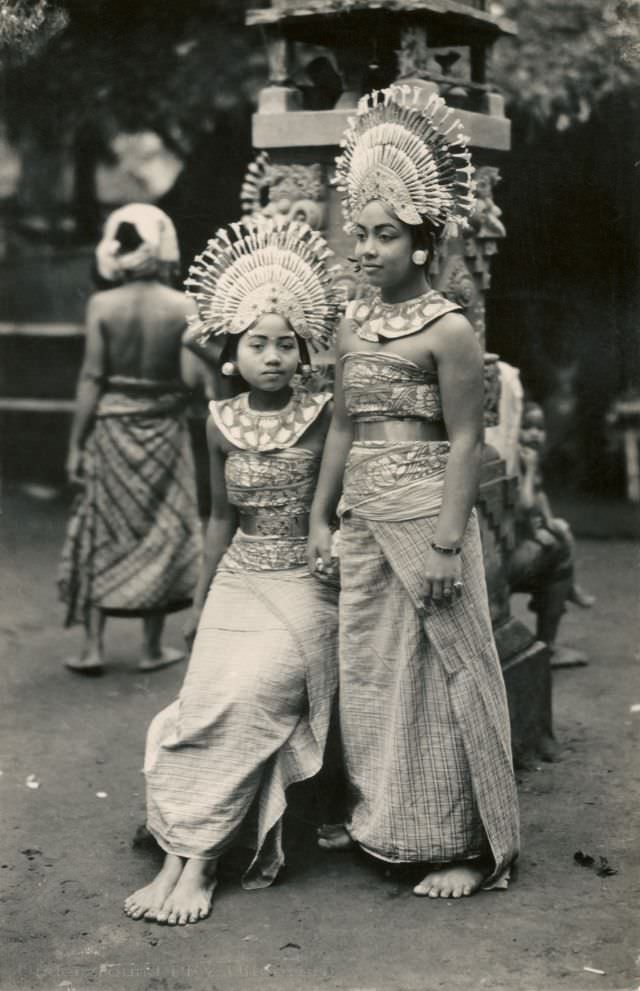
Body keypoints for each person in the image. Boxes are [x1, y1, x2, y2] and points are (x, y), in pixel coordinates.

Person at [308, 85, 520, 898]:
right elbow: (340, 428)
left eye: (384, 236)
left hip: (428, 518)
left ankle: (462, 843)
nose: (365, 248)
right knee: (372, 671)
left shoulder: (450, 330)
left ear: (423, 244)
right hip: (363, 517)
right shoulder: (352, 326)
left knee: (443, 672)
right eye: (357, 232)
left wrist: (443, 543)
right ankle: (386, 821)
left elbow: (468, 439)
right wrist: (321, 519)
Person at [124, 218, 340, 926]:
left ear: (303, 348)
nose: (272, 356)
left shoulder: (325, 416)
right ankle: (175, 856)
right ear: (233, 353)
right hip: (239, 578)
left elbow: (334, 510)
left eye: (285, 342)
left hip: (304, 585)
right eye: (256, 343)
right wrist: (200, 604)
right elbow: (220, 518)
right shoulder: (219, 421)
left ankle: (204, 861)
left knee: (252, 694)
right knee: (203, 697)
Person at [59, 203, 202, 675]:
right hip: (163, 427)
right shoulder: (184, 306)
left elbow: (91, 378)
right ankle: (150, 648)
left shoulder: (102, 305)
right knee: (162, 532)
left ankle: (94, 647)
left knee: (102, 527)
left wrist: (76, 445)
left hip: (112, 426)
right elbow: (189, 380)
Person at [510, 400, 595, 667]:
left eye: (540, 428)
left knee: (563, 533)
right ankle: (550, 641)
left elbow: (539, 495)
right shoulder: (517, 458)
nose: (535, 433)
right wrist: (536, 533)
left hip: (527, 531)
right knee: (558, 547)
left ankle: (571, 588)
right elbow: (522, 505)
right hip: (515, 538)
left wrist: (549, 521)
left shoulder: (529, 454)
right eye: (527, 427)